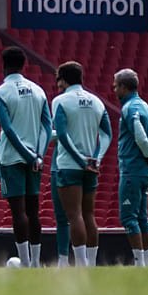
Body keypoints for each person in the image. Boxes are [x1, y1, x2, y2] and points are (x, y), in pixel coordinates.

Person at [0, 46, 52, 267]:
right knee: (33, 211)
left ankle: (25, 263)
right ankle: (35, 262)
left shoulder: (0, 92)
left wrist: (26, 155)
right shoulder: (38, 90)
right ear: (24, 65)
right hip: (35, 159)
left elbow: (7, 128)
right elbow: (47, 124)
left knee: (18, 212)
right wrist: (38, 155)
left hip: (12, 158)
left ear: (3, 65)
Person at [50, 62, 112, 267]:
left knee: (73, 215)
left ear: (64, 80)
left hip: (70, 165)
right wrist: (97, 158)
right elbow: (107, 134)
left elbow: (62, 134)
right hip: (91, 166)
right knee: (89, 214)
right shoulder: (97, 102)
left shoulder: (60, 101)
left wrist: (79, 160)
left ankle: (81, 264)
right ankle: (92, 264)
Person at [114, 68, 148, 267]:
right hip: (144, 172)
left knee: (129, 217)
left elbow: (140, 135)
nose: (114, 89)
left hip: (133, 169)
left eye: (116, 85)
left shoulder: (130, 109)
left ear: (123, 87)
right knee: (142, 217)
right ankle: (146, 263)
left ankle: (139, 264)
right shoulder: (146, 106)